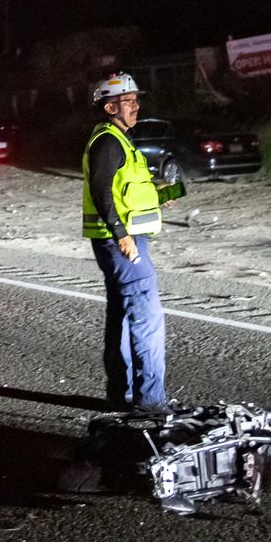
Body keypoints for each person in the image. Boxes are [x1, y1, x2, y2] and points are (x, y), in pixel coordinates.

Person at [82, 72, 171, 415]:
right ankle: (150, 401)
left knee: (120, 315)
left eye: (136, 101)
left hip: (122, 240)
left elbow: (124, 191)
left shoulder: (119, 140)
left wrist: (159, 195)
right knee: (147, 316)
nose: (136, 107)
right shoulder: (108, 142)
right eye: (129, 102)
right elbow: (101, 191)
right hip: (122, 244)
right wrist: (122, 235)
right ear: (109, 107)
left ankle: (121, 395)